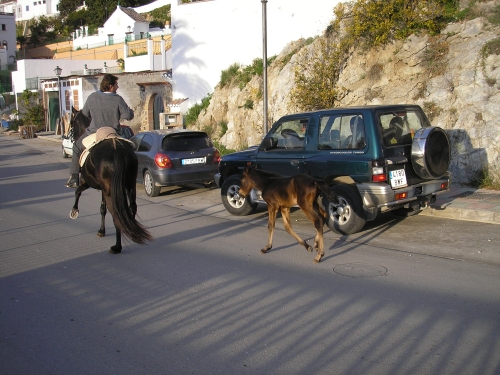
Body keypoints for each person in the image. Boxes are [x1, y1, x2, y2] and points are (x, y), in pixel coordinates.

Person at [65, 74, 134, 188]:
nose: (117, 87)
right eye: (116, 84)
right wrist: (130, 112)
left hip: (94, 133)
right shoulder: (118, 99)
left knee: (76, 147)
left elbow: (85, 113)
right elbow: (128, 115)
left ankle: (74, 178)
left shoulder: (92, 97)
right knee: (130, 149)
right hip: (113, 133)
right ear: (110, 86)